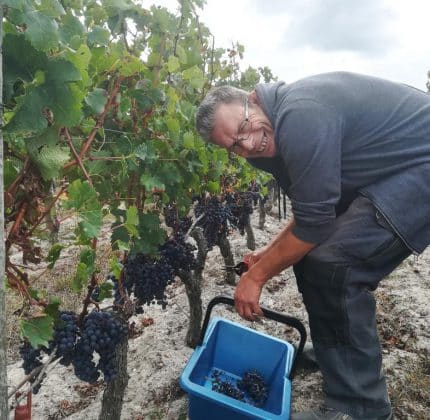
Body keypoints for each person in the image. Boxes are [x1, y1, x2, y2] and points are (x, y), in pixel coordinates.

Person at [195, 71, 430, 420]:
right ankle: (337, 354)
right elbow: (313, 209)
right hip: (392, 172)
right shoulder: (267, 140)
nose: (246, 144)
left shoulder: (300, 114)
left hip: (421, 166)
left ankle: (360, 406)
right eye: (234, 146)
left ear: (253, 98)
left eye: (243, 127)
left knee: (336, 265)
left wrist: (256, 277)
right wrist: (266, 254)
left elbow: (315, 224)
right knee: (308, 259)